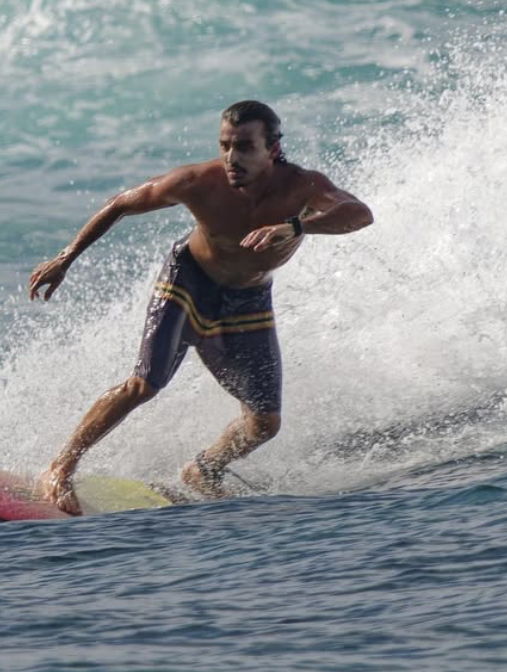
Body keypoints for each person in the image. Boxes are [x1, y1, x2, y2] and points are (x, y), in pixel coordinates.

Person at [29, 100, 373, 514]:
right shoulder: (198, 181)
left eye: (244, 147)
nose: (231, 158)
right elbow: (121, 204)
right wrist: (65, 258)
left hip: (247, 299)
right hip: (189, 282)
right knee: (144, 384)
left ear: (273, 149)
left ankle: (203, 470)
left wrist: (296, 225)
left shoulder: (302, 187)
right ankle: (60, 467)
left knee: (264, 423)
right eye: (225, 145)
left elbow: (359, 214)